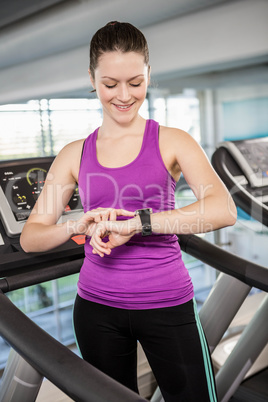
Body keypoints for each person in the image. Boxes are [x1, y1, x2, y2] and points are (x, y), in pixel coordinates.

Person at [20, 21, 237, 402]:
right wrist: (79, 224)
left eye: (135, 83)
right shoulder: (74, 153)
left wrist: (141, 223)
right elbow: (31, 236)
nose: (123, 95)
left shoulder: (173, 141)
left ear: (149, 75)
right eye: (110, 84)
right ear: (92, 78)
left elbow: (222, 210)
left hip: (167, 304)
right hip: (95, 309)